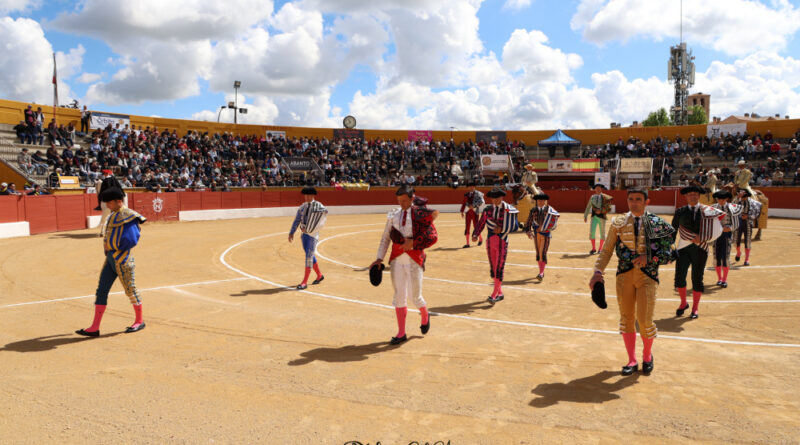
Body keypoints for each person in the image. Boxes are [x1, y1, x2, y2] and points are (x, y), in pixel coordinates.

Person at [589, 188, 676, 376]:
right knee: (627, 319)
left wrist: (648, 257)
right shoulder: (618, 222)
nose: (634, 202)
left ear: (646, 202)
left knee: (644, 321)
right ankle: (632, 359)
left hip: (648, 276)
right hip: (624, 276)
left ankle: (647, 356)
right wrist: (597, 271)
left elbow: (670, 253)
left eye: (638, 199)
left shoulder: (657, 223)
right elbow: (607, 250)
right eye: (631, 199)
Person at [370, 185, 439, 345]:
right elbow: (385, 238)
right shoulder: (393, 215)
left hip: (415, 258)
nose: (401, 204)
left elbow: (432, 236)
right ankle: (401, 332)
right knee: (399, 295)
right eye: (399, 201)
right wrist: (379, 259)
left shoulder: (420, 215)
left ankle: (424, 314)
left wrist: (414, 242)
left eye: (404, 201)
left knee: (415, 296)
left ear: (412, 199)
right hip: (396, 259)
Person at [75, 187, 147, 337]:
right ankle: (94, 327)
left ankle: (139, 321)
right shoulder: (114, 215)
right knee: (101, 291)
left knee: (131, 290)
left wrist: (111, 246)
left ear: (118, 201)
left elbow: (132, 240)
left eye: (109, 202)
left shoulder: (128, 215)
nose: (107, 205)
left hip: (123, 260)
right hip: (110, 260)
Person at [672, 185, 723, 319]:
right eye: (690, 194)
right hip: (683, 248)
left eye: (695, 194)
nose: (692, 196)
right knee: (679, 277)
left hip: (701, 248)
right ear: (686, 196)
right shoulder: (680, 211)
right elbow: (673, 230)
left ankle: (695, 308)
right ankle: (683, 303)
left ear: (699, 196)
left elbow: (718, 229)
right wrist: (670, 247)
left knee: (697, 278)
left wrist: (704, 238)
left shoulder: (708, 211)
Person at [472, 187, 519, 303]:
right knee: (493, 268)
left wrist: (502, 228)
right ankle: (500, 293)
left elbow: (515, 226)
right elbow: (481, 223)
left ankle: (494, 294)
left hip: (502, 241)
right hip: (490, 242)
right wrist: (475, 234)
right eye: (493, 198)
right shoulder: (487, 210)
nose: (494, 200)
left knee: (499, 267)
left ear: (502, 197)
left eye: (497, 198)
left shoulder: (508, 210)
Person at [288, 187, 328, 290]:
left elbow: (321, 222)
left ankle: (304, 282)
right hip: (304, 235)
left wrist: (310, 230)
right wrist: (291, 232)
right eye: (305, 195)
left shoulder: (319, 207)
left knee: (309, 257)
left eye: (308, 195)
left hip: (313, 236)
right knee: (309, 254)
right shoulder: (302, 207)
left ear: (312, 195)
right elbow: (297, 220)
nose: (306, 197)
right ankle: (319, 275)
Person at [524, 193, 560, 280]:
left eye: (542, 200)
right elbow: (528, 222)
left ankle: (541, 273)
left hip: (546, 234)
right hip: (537, 234)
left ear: (545, 201)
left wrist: (544, 228)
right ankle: (541, 272)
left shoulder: (549, 210)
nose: (540, 202)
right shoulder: (533, 210)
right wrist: (528, 231)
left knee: (542, 252)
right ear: (536, 201)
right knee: (538, 252)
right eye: (539, 200)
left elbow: (554, 223)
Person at [711, 190, 741, 288]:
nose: (721, 201)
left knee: (726, 256)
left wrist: (730, 228)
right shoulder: (713, 208)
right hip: (716, 235)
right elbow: (710, 222)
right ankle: (719, 278)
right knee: (717, 256)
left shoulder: (732, 208)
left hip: (727, 235)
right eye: (719, 199)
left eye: (723, 199)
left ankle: (725, 279)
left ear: (726, 199)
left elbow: (736, 222)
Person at [734, 189, 762, 266]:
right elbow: (731, 208)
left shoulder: (753, 203)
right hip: (738, 223)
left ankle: (747, 259)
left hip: (748, 223)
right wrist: (737, 197)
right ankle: (738, 252)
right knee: (737, 239)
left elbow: (757, 213)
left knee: (748, 240)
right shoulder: (737, 201)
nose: (742, 198)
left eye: (743, 197)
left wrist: (748, 216)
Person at [583, 183, 613, 254]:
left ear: (601, 189)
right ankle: (593, 248)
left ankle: (600, 248)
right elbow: (588, 206)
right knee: (592, 232)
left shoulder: (605, 197)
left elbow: (609, 207)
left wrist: (601, 211)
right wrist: (585, 215)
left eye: (599, 188)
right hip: (594, 217)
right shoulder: (592, 197)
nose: (598, 189)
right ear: (595, 189)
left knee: (602, 232)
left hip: (602, 217)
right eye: (596, 188)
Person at [96, 170, 124, 236]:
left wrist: (100, 199)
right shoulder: (114, 180)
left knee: (105, 216)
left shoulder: (104, 181)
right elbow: (119, 188)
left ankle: (102, 231)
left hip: (106, 199)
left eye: (105, 174)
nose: (104, 174)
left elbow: (101, 192)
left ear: (106, 174)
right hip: (115, 198)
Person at [459, 181, 484, 248]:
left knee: (476, 226)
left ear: (474, 187)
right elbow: (464, 203)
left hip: (475, 211)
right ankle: (467, 243)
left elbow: (481, 202)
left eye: (472, 186)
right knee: (467, 226)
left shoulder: (478, 193)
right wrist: (462, 211)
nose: (470, 188)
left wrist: (474, 206)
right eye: (469, 187)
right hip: (468, 212)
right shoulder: (466, 194)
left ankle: (480, 239)